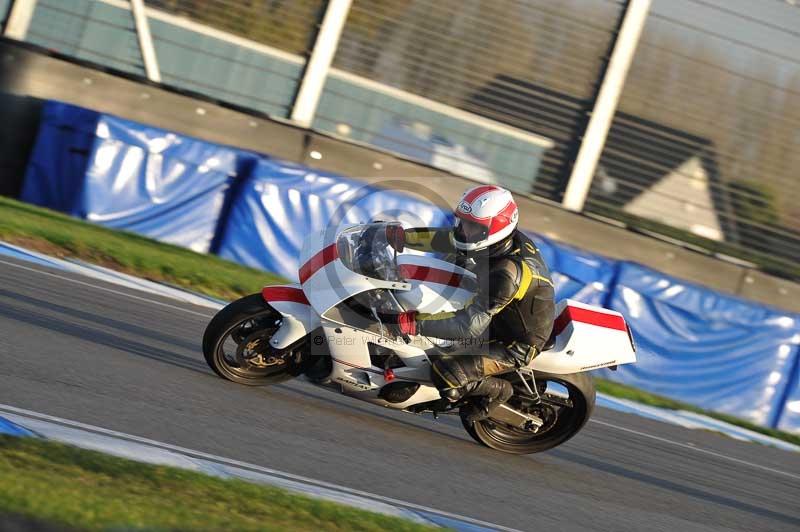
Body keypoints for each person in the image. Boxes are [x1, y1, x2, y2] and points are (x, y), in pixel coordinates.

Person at [394, 185, 555, 422]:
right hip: (495, 309)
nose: (464, 230)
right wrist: (402, 237)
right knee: (453, 259)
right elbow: (446, 239)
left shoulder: (507, 274)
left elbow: (469, 326)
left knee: (445, 371)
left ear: (495, 228)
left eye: (473, 226)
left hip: (513, 342)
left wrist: (414, 323)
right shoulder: (490, 240)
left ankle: (499, 392)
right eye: (463, 222)